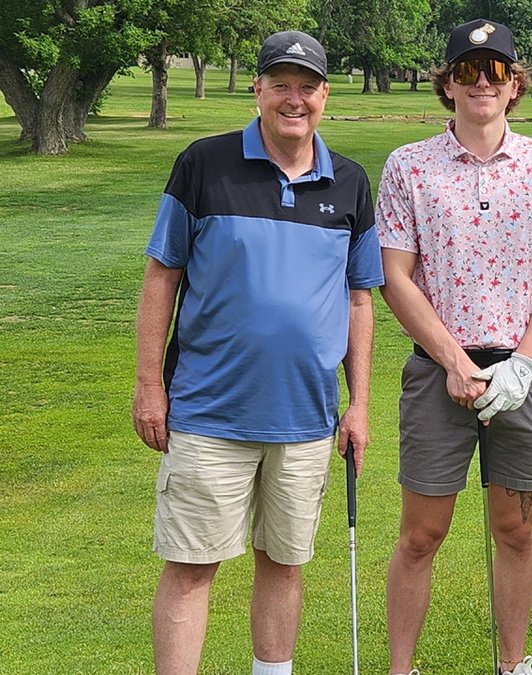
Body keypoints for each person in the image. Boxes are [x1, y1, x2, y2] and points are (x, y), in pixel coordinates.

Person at [131, 30, 382, 675]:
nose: (293, 99)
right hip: (210, 409)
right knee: (191, 565)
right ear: (258, 89)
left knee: (285, 561)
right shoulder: (203, 164)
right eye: (281, 85)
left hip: (304, 416)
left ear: (324, 95)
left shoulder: (351, 184)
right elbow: (163, 274)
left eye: (306, 87)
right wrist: (149, 384)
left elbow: (360, 300)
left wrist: (359, 405)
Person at [374, 18, 532, 675]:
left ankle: (512, 664)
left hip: (522, 369)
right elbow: (396, 277)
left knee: (515, 530)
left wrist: (524, 359)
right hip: (440, 368)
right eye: (469, 71)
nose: (482, 83)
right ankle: (400, 668)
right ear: (449, 84)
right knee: (421, 534)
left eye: (495, 71)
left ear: (516, 84)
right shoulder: (409, 166)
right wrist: (455, 361)